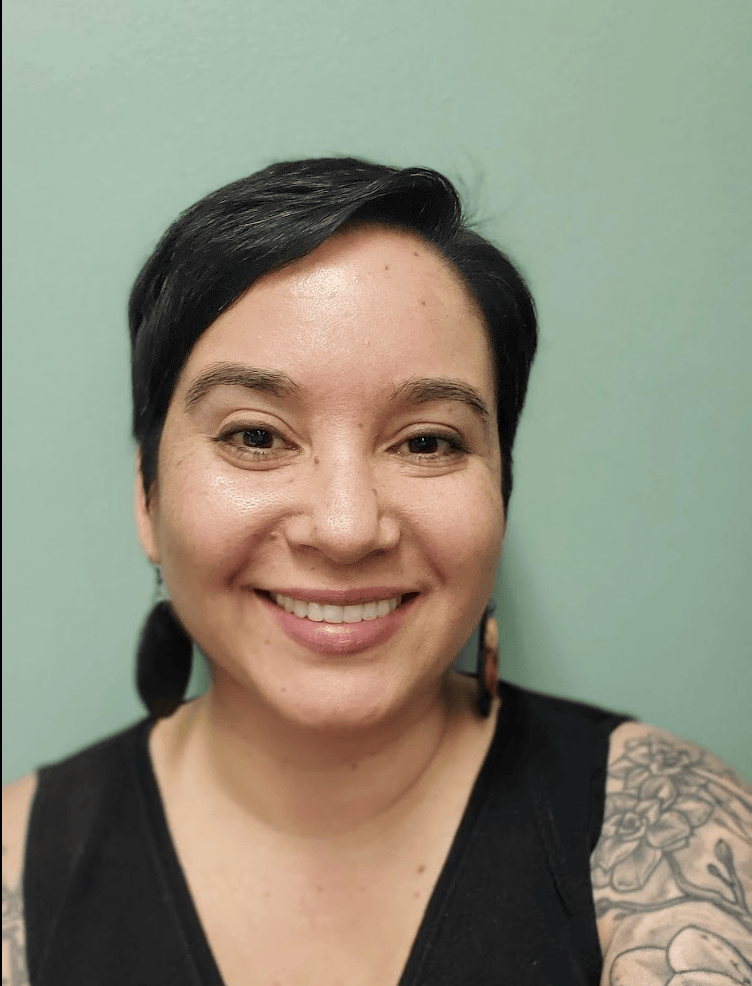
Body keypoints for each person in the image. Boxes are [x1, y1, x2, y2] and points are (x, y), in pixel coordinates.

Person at [3, 158, 750, 986]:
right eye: (256, 436)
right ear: (148, 496)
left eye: (427, 441)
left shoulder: (667, 833)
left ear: (501, 490)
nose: (347, 527)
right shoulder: (17, 872)